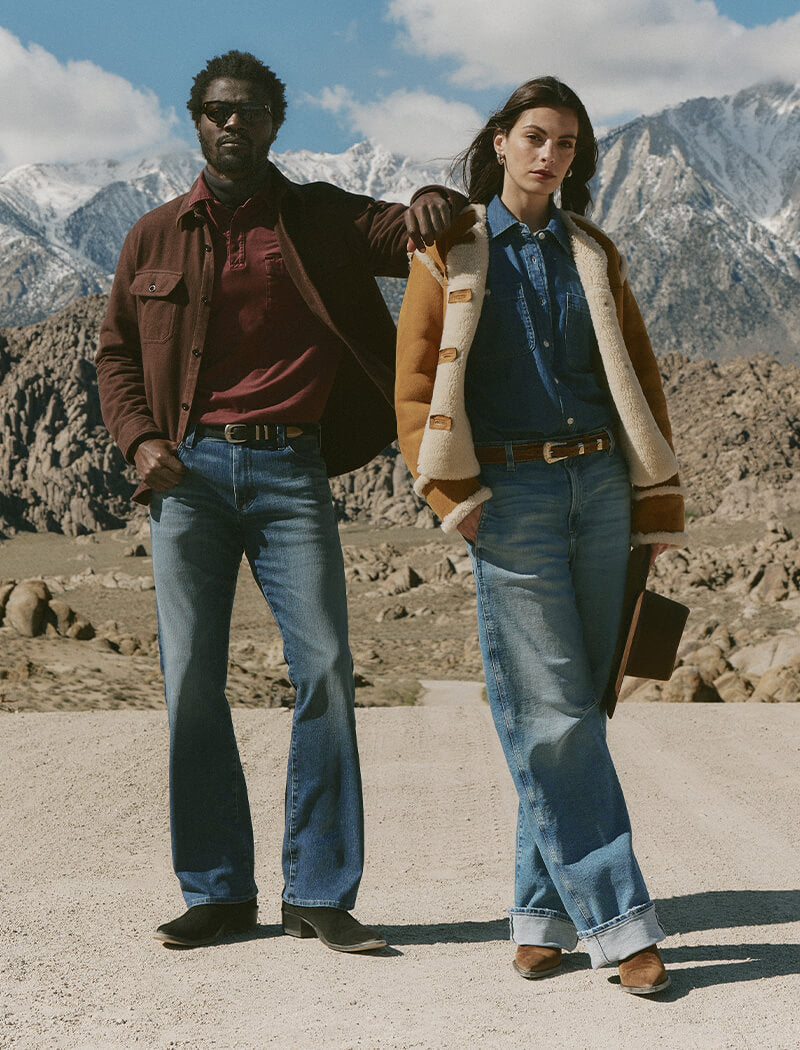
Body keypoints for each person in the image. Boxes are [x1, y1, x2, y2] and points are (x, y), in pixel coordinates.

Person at [96, 49, 463, 952]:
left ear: (275, 122)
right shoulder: (152, 235)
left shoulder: (320, 215)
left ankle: (319, 892)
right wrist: (142, 442)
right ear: (196, 121)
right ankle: (219, 892)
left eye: (251, 110)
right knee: (190, 682)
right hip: (189, 480)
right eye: (219, 110)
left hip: (291, 474)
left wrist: (433, 200)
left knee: (328, 667)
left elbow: (407, 231)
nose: (234, 123)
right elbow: (112, 355)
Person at [396, 76, 686, 993]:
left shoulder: (596, 251)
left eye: (565, 142)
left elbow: (638, 372)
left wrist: (652, 501)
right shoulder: (451, 250)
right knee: (552, 710)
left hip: (601, 485)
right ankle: (619, 920)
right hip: (509, 496)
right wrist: (452, 496)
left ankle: (540, 912)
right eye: (534, 136)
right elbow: (410, 386)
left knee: (576, 707)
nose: (548, 154)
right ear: (500, 143)